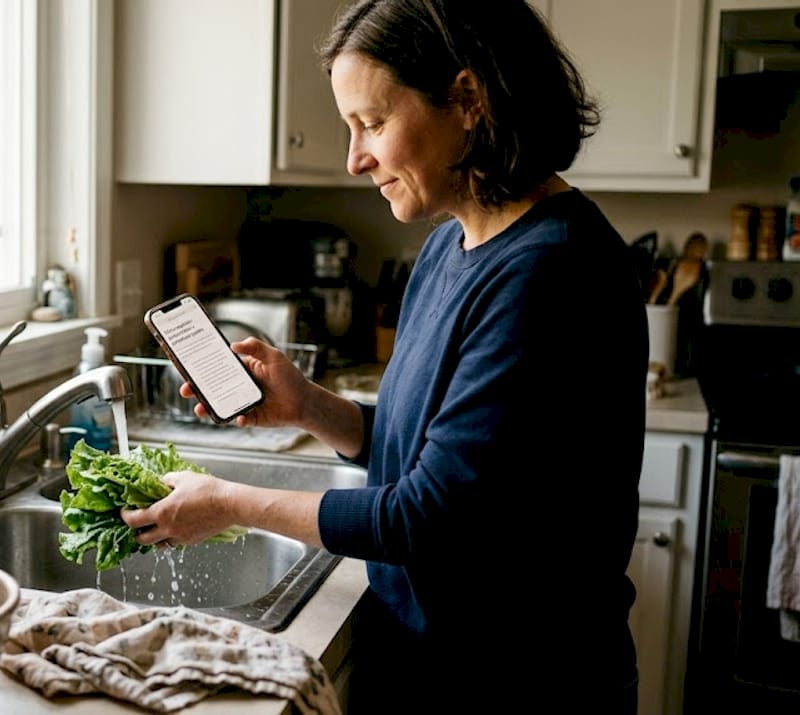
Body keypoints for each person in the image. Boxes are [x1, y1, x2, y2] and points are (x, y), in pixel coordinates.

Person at [121, 1, 647, 711]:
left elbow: (428, 517)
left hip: (520, 679)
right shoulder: (449, 243)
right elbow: (437, 448)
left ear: (467, 101)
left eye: (371, 123)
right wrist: (309, 406)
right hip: (434, 658)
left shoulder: (550, 272)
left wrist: (228, 503)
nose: (354, 157)